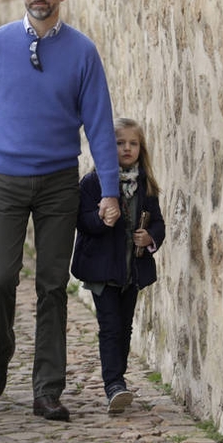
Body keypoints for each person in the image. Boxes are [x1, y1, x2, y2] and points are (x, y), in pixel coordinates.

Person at [0, 0, 121, 422]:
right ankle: (0, 354)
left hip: (58, 181)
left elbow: (99, 125)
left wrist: (110, 188)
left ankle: (47, 389)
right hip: (3, 178)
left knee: (53, 286)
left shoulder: (83, 52)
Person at [71, 117, 165, 414]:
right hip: (103, 272)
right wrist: (100, 219)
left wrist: (150, 236)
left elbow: (159, 223)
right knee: (110, 327)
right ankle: (113, 383)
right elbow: (81, 221)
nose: (127, 148)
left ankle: (119, 379)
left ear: (141, 148)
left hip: (132, 271)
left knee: (125, 327)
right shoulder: (93, 182)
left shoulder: (145, 186)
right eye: (120, 143)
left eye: (133, 143)